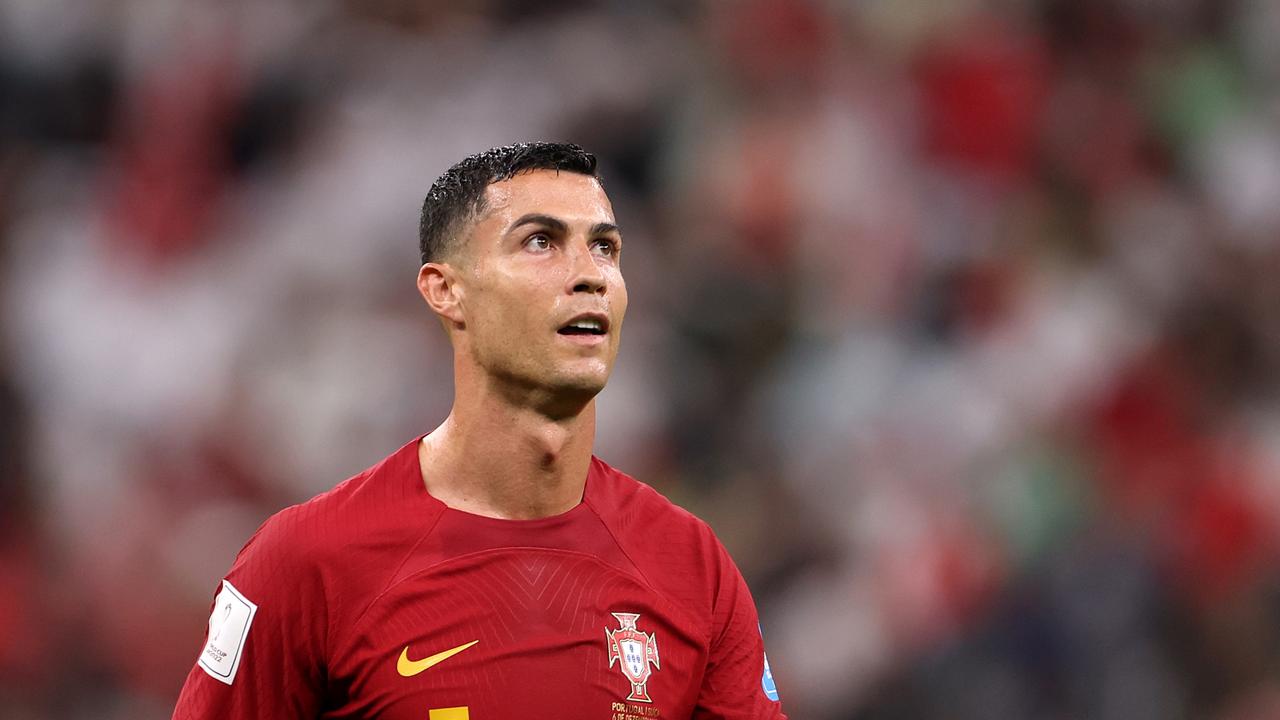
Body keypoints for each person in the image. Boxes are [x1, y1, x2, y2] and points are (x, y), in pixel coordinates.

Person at [171, 142, 787, 720]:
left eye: (605, 247)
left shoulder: (691, 566)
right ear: (447, 291)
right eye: (542, 242)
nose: (590, 274)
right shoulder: (308, 563)